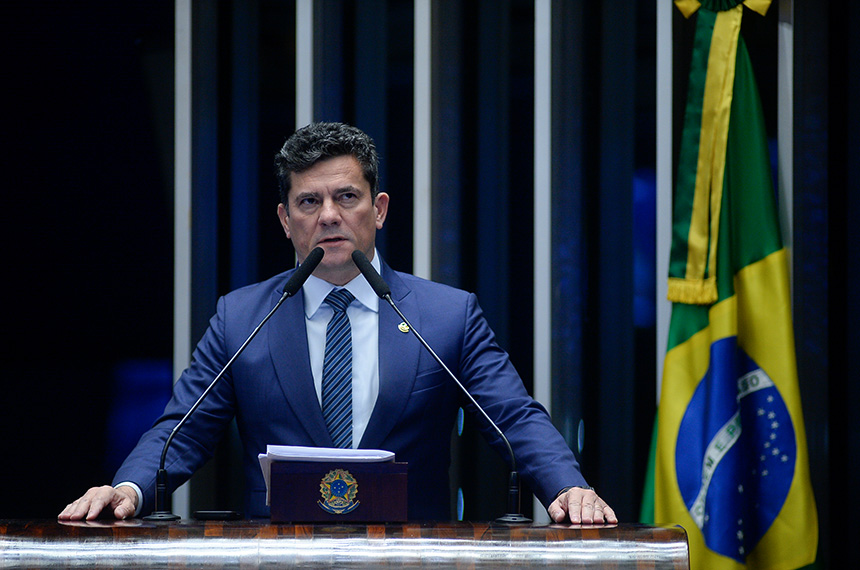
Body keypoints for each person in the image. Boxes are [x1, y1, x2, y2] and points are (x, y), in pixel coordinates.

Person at [59, 122, 616, 525]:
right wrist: (127, 486)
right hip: (277, 559)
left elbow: (514, 418)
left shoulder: (447, 315)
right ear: (285, 219)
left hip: (414, 558)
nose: (328, 214)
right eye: (309, 201)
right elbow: (182, 428)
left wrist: (570, 487)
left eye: (346, 196)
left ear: (378, 210)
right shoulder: (242, 317)